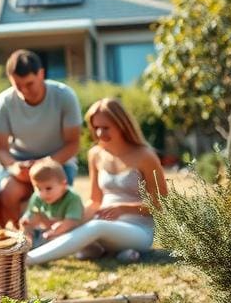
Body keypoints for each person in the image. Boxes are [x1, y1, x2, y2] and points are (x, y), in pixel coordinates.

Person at [28, 97, 168, 265]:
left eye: (106, 127)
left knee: (96, 228)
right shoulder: (95, 154)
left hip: (139, 231)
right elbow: (95, 201)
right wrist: (70, 223)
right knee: (82, 237)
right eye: (96, 128)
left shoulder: (145, 156)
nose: (100, 133)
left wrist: (122, 208)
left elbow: (160, 205)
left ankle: (29, 259)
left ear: (122, 124)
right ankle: (119, 252)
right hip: (103, 224)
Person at [0, 49, 81, 225]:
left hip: (58, 162)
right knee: (7, 192)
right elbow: (0, 148)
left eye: (29, 84)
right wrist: (14, 167)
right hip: (20, 164)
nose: (24, 91)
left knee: (54, 195)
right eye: (18, 86)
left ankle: (54, 239)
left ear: (41, 74)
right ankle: (18, 241)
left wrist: (43, 165)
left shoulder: (65, 96)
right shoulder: (4, 101)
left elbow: (73, 144)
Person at [19, 159, 84, 245]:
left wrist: (55, 231)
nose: (43, 194)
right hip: (47, 230)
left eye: (48, 188)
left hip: (71, 232)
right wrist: (27, 221)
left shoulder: (72, 197)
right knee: (25, 228)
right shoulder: (37, 196)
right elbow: (32, 215)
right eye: (39, 189)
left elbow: (72, 222)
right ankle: (27, 244)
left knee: (57, 239)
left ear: (63, 184)